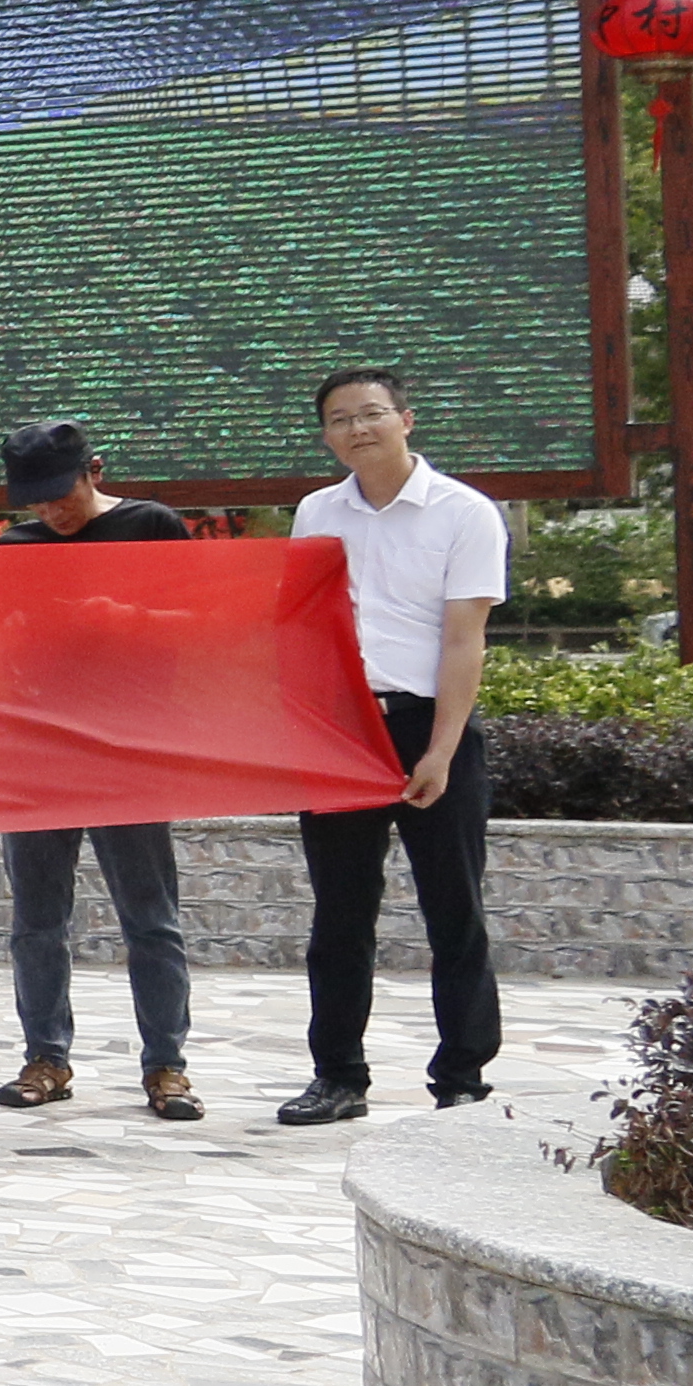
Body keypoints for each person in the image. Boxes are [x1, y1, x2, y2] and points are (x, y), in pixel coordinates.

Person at [281, 368, 505, 1127]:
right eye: (340, 419)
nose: (358, 428)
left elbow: (463, 640)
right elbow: (303, 628)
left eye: (372, 414)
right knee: (340, 914)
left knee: (454, 908)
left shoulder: (462, 513)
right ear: (326, 435)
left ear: (407, 419)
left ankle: (462, 1078)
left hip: (428, 726)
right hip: (341, 729)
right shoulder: (316, 512)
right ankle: (337, 1075)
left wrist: (440, 751)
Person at [0, 419, 201, 1124]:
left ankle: (166, 1064)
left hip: (130, 744)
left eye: (61, 494)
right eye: (37, 501)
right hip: (39, 745)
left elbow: (206, 617)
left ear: (95, 469)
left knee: (151, 918)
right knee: (36, 919)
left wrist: (125, 616)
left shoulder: (153, 526)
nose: (52, 512)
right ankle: (45, 1055)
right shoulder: (17, 547)